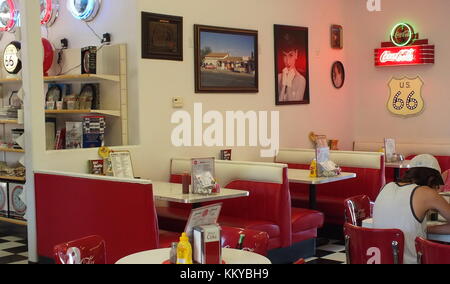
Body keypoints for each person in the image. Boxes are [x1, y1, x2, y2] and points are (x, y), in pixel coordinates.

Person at [373, 154, 450, 264]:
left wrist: (423, 228)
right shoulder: (427, 193)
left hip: (379, 259)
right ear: (432, 179)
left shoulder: (385, 187)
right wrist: (428, 229)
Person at [278, 33, 307, 102]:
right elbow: (277, 103)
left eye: (291, 55)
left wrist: (288, 83)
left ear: (296, 54)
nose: (287, 61)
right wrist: (284, 85)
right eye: (284, 55)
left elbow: (295, 105)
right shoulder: (279, 77)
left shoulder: (301, 80)